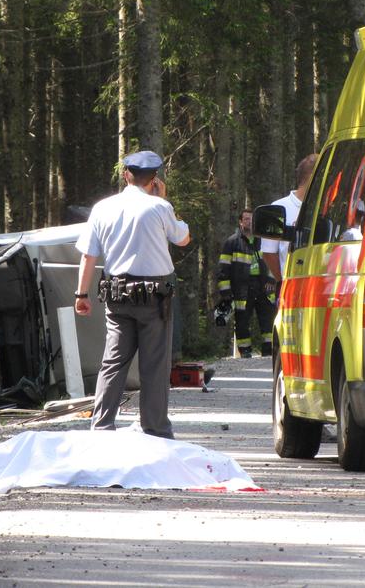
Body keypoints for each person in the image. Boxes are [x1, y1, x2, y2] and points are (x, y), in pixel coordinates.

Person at [74, 150, 190, 439]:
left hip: (117, 296)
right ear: (155, 179)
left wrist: (81, 294)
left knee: (113, 362)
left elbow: (88, 255)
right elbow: (183, 239)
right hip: (154, 298)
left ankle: (101, 427)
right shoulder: (160, 207)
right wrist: (165, 201)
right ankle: (156, 430)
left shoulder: (102, 208)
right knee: (154, 366)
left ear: (126, 174)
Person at [216, 209, 277, 358]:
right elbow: (224, 267)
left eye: (251, 219)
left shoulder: (263, 240)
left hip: (263, 285)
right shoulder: (232, 242)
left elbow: (272, 261)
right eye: (246, 219)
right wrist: (226, 292)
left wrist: (272, 279)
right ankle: (245, 352)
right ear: (240, 222)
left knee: (268, 318)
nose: (249, 222)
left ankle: (269, 351)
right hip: (241, 287)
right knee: (242, 320)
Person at [261, 154, 318, 288]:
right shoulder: (277, 208)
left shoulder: (325, 209)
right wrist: (282, 282)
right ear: (313, 177)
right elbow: (268, 253)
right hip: (290, 287)